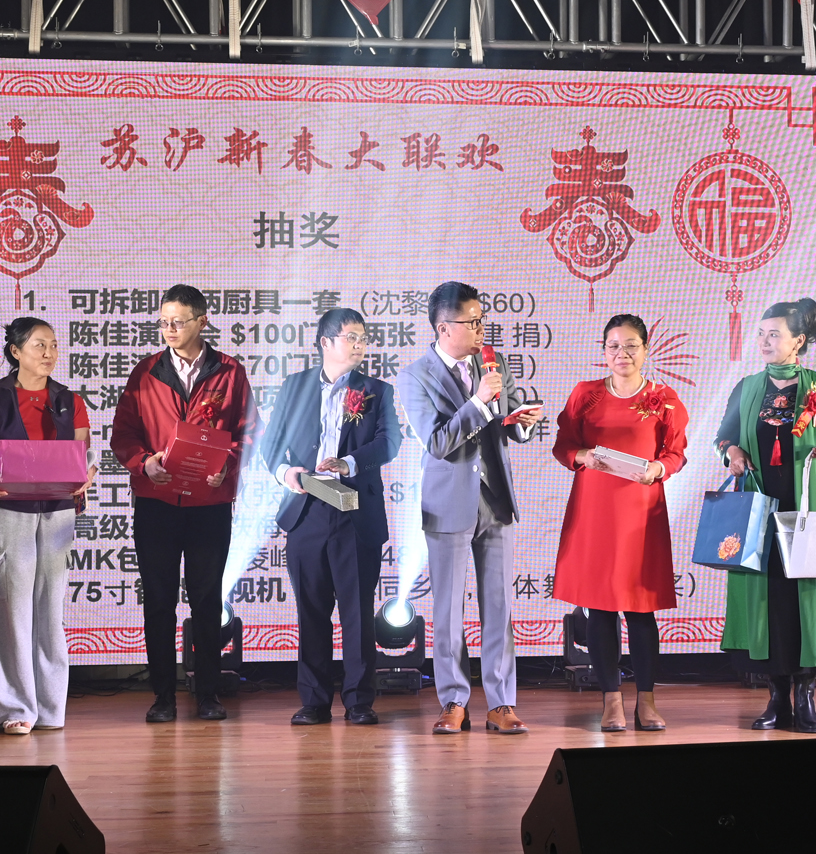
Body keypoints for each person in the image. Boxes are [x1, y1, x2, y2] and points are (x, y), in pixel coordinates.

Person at [396, 282, 547, 735]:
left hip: (495, 499)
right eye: (473, 322)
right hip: (448, 503)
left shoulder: (493, 363)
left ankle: (502, 703)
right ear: (444, 328)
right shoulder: (415, 376)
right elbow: (438, 442)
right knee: (447, 609)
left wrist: (523, 423)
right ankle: (453, 700)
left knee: (498, 605)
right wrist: (480, 401)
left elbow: (508, 422)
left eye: (483, 320)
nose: (482, 329)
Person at [110, 284, 256, 723]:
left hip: (209, 503)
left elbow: (249, 432)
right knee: (158, 601)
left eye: (178, 321)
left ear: (202, 321)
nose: (169, 329)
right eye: (163, 322)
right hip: (157, 502)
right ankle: (162, 696)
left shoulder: (229, 371)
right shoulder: (146, 372)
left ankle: (208, 693)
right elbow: (123, 434)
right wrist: (144, 462)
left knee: (207, 600)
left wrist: (227, 464)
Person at [716, 299, 816, 733]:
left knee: (805, 595)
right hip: (760, 508)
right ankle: (776, 696)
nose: (764, 341)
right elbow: (723, 438)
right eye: (761, 334)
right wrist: (732, 451)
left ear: (799, 341)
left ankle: (806, 695)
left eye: (773, 334)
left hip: (807, 507)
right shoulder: (746, 388)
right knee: (769, 599)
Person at [257, 307, 401, 726]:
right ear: (326, 342)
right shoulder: (295, 386)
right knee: (312, 611)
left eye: (363, 338)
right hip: (306, 510)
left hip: (354, 511)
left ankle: (359, 701)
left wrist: (349, 463)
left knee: (357, 612)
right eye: (351, 337)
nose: (360, 345)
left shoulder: (377, 390)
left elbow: (389, 443)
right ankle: (314, 701)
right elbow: (270, 445)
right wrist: (288, 474)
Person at [553, 314, 689, 732]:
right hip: (595, 510)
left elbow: (676, 453)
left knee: (641, 611)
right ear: (604, 351)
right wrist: (584, 456)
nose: (622, 353)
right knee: (599, 609)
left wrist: (659, 469)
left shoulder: (664, 398)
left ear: (646, 349)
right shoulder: (586, 394)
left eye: (631, 345)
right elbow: (564, 445)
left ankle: (646, 701)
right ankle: (611, 700)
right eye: (613, 346)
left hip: (640, 513)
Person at [0, 317, 91, 736]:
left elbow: (82, 455)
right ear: (15, 351)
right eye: (39, 345)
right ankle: (11, 708)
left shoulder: (69, 401)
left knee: (50, 609)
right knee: (10, 608)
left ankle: (50, 707)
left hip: (58, 512)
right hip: (8, 511)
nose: (49, 353)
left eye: (53, 345)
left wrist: (87, 476)